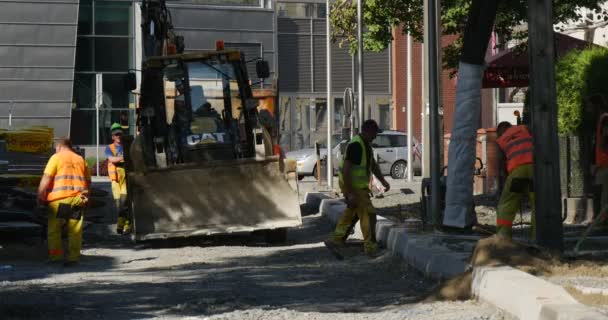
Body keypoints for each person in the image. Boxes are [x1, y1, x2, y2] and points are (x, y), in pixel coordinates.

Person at [324, 120, 390, 258]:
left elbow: (372, 165)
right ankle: (370, 247)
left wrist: (383, 181)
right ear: (367, 131)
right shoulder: (356, 145)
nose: (375, 137)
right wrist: (349, 193)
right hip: (354, 187)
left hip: (357, 188)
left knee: (352, 214)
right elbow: (347, 170)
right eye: (374, 133)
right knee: (368, 215)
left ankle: (336, 240)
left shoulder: (366, 146)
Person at [37, 138, 90, 266]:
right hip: (78, 199)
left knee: (54, 231)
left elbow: (47, 177)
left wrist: (40, 195)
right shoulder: (80, 159)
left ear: (59, 147)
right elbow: (88, 182)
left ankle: (56, 257)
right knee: (75, 231)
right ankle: (73, 258)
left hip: (59, 200)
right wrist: (87, 198)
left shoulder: (56, 158)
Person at [495, 121, 535, 239]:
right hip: (535, 171)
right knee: (537, 204)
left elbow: (501, 164)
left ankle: (503, 236)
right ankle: (537, 238)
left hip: (517, 173)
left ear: (500, 132)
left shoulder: (502, 140)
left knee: (507, 204)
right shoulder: (524, 129)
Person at [106, 123, 131, 235]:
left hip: (126, 177)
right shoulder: (109, 148)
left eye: (120, 134)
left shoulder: (128, 145)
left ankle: (124, 225)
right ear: (113, 137)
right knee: (119, 205)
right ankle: (124, 224)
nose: (118, 136)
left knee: (125, 201)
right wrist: (123, 157)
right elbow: (112, 159)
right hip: (116, 179)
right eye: (116, 134)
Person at [594, 113, 608, 213]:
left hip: (604, 163)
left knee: (603, 193)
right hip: (602, 163)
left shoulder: (604, 119)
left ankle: (603, 217)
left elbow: (604, 141)